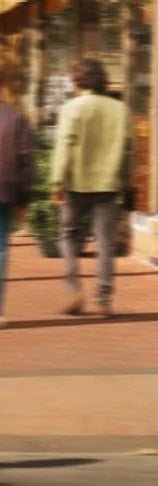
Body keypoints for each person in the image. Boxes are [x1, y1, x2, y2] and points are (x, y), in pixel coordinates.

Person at [50, 58, 132, 318]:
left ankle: (74, 289)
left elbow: (64, 146)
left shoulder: (72, 108)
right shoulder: (120, 110)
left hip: (77, 185)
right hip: (108, 186)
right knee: (105, 243)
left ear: (78, 81)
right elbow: (129, 150)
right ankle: (104, 298)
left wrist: (57, 182)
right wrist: (125, 180)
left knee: (67, 235)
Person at [0, 85, 35, 329]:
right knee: (0, 249)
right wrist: (24, 198)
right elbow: (26, 160)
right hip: (4, 191)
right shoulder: (15, 117)